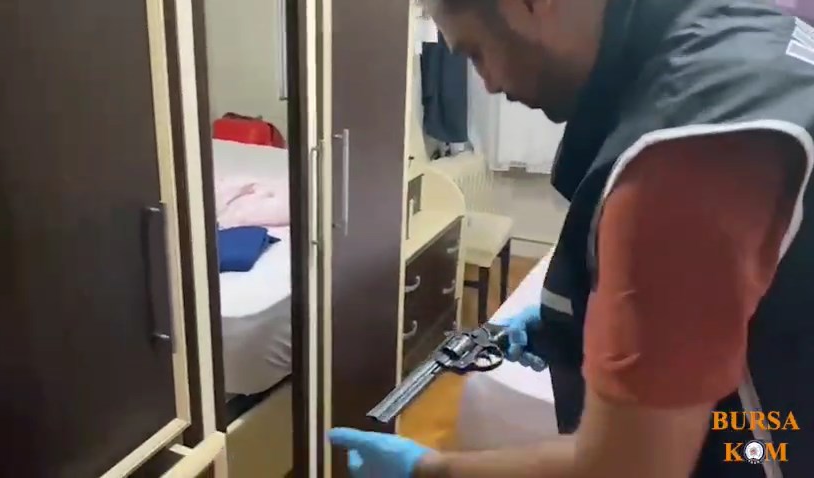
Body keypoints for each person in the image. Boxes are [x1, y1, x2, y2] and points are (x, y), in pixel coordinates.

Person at [328, 0, 814, 477]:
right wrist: (573, 318)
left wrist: (429, 469)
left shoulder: (685, 156)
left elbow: (628, 467)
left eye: (476, 52)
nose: (489, 83)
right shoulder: (739, 29)